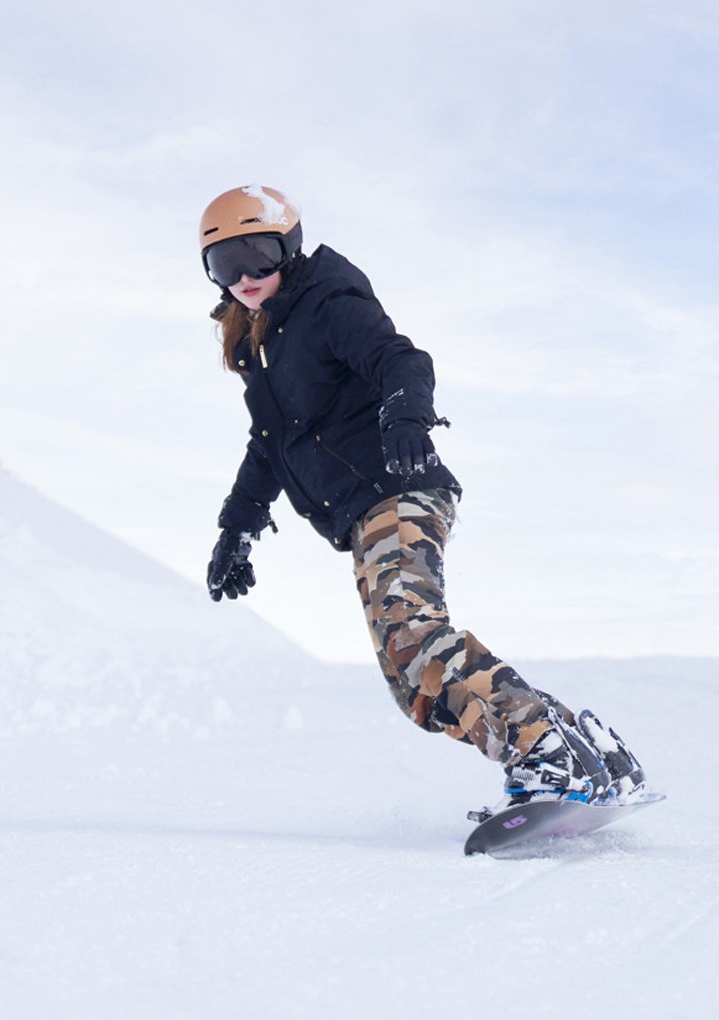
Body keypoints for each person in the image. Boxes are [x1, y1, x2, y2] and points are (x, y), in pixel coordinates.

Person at [200, 183, 646, 811]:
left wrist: (405, 419)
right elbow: (269, 443)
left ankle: (543, 751)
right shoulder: (262, 346)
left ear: (289, 248)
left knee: (415, 634)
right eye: (226, 263)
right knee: (414, 683)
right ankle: (586, 752)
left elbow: (400, 360)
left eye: (258, 255)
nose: (245, 276)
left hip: (398, 486)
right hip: (361, 511)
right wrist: (236, 531)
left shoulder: (328, 302)